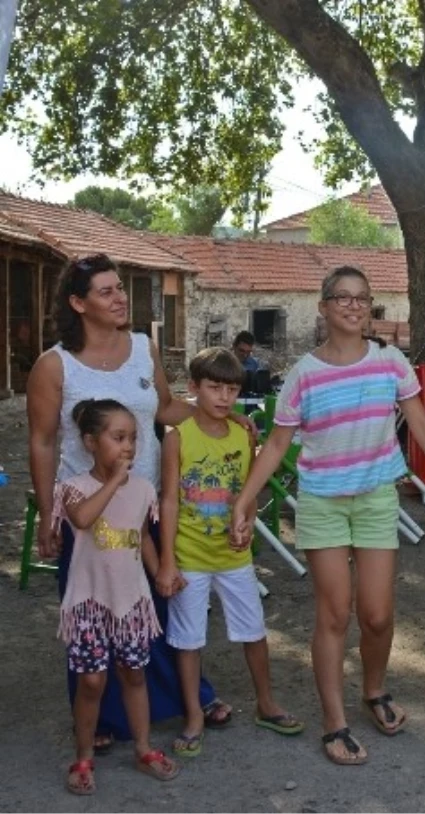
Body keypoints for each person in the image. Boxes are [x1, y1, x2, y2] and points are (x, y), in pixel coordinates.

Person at [231, 266, 425, 766]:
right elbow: (278, 443)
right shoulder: (304, 374)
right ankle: (334, 721)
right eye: (341, 298)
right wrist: (244, 499)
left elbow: (420, 422)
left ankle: (373, 690)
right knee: (332, 613)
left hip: (374, 498)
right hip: (323, 502)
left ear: (370, 307)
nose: (352, 305)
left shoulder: (391, 363)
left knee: (378, 614)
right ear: (323, 308)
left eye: (361, 298)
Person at [27, 254, 233, 749]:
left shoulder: (144, 348)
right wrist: (46, 516)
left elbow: (163, 408)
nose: (120, 298)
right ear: (77, 303)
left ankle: (184, 696)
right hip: (90, 514)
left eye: (120, 288)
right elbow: (41, 441)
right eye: (106, 291)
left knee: (160, 604)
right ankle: (96, 718)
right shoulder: (54, 365)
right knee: (96, 610)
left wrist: (218, 417)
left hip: (150, 502)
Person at [157, 348, 303, 758]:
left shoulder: (244, 433)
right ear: (194, 388)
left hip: (234, 556)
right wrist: (167, 559)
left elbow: (249, 490)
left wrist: (247, 525)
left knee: (254, 632)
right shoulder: (177, 439)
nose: (223, 397)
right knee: (188, 641)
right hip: (189, 554)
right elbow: (168, 501)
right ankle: (193, 715)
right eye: (214, 387)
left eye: (232, 389)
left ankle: (266, 703)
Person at [56, 399, 180, 794]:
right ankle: (83, 755)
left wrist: (162, 567)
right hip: (89, 602)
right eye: (118, 438)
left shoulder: (144, 489)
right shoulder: (73, 489)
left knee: (134, 674)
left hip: (131, 602)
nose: (128, 446)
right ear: (90, 442)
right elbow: (83, 519)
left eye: (134, 438)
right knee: (91, 681)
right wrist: (113, 480)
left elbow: (142, 535)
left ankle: (143, 749)